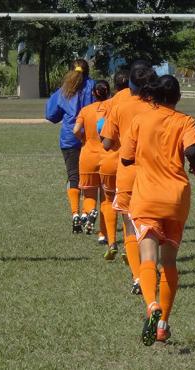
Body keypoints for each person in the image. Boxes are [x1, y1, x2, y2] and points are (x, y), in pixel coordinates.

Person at [119, 75, 195, 346]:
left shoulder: (141, 119)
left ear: (153, 96)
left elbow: (126, 157)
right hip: (176, 199)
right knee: (169, 262)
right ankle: (163, 326)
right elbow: (192, 149)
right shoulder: (185, 121)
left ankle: (152, 305)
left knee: (148, 259)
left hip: (147, 197)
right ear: (177, 97)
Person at [101, 60, 157, 294]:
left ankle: (138, 277)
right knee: (153, 226)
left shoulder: (119, 106)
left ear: (130, 85)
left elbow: (106, 143)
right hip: (154, 172)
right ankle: (152, 269)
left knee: (130, 226)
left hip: (127, 171)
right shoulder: (157, 105)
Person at [45, 59, 96, 233]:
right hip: (91, 138)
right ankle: (88, 213)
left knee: (73, 176)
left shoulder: (64, 89)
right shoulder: (94, 86)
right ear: (88, 72)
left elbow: (51, 115)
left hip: (69, 139)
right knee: (90, 178)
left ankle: (75, 214)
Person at [97, 70, 131, 258]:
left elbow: (100, 127)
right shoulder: (142, 103)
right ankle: (130, 245)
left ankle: (111, 242)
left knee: (109, 201)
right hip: (132, 163)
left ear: (115, 85)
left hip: (110, 159)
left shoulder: (109, 104)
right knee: (130, 205)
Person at [72, 80, 111, 236]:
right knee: (106, 198)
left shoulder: (85, 110)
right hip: (107, 155)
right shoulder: (113, 108)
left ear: (93, 94)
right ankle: (103, 234)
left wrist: (83, 138)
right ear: (108, 93)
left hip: (88, 156)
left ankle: (91, 211)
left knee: (88, 194)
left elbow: (75, 130)